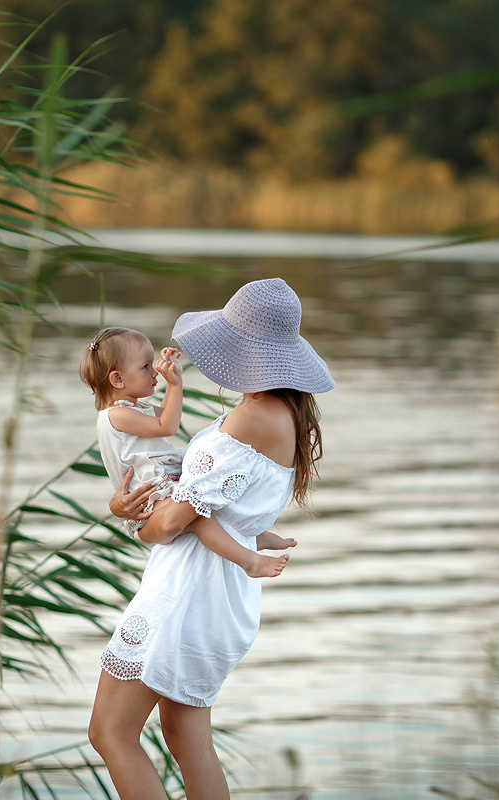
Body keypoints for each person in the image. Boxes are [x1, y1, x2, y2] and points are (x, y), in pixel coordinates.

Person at [87, 278, 334, 800]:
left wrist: (126, 515)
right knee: (184, 737)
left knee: (110, 732)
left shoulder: (249, 419)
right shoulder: (286, 414)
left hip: (189, 590)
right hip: (222, 595)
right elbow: (224, 507)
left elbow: (175, 521)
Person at [80, 327, 292, 579]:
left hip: (161, 488)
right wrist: (175, 384)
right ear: (117, 380)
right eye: (145, 367)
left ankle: (247, 538)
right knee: (199, 517)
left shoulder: (131, 408)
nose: (154, 371)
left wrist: (172, 380)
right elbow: (167, 426)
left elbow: (169, 414)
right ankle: (248, 560)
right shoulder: (116, 415)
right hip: (152, 498)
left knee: (203, 510)